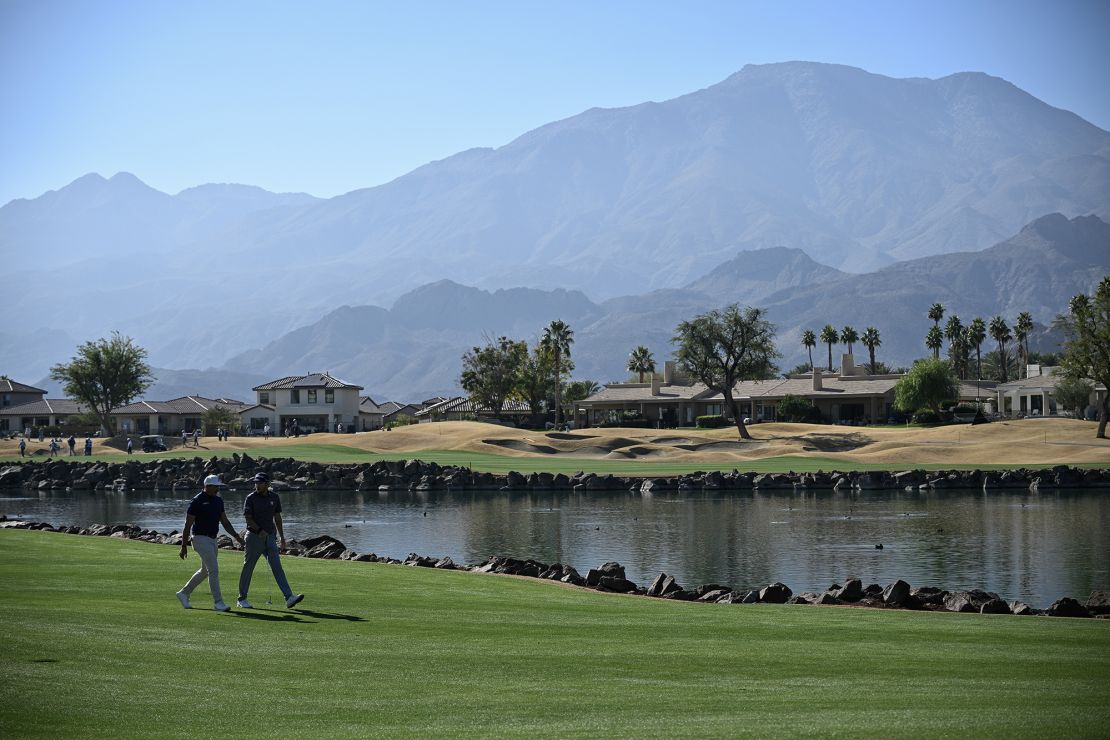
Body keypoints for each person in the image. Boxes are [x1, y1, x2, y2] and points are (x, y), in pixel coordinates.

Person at [176, 474, 244, 612]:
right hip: (200, 539)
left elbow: (224, 521)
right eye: (216, 487)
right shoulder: (197, 501)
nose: (218, 489)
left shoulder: (218, 501)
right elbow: (187, 525)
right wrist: (184, 546)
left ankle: (183, 593)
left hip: (213, 539)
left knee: (205, 571)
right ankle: (218, 602)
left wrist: (236, 536)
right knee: (214, 570)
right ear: (207, 487)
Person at [237, 472, 304, 609]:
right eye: (256, 482)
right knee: (248, 567)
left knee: (277, 567)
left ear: (267, 484)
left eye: (260, 483)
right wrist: (259, 530)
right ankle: (241, 599)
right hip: (254, 537)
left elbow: (277, 518)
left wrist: (282, 538)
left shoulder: (274, 497)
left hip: (271, 537)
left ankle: (289, 597)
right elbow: (248, 519)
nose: (257, 485)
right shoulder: (251, 498)